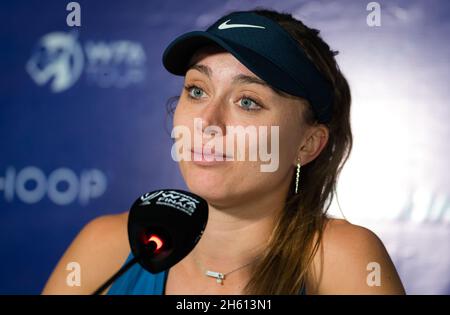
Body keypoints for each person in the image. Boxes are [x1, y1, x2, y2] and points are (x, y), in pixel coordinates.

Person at [42, 8, 405, 295]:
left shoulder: (343, 259)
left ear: (307, 145)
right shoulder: (108, 246)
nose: (208, 121)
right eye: (197, 91)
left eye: (248, 101)